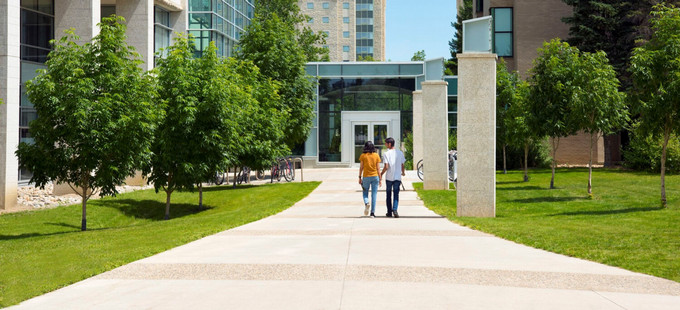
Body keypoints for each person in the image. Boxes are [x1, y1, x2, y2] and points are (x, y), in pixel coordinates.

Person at [380, 137, 406, 218]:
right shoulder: (400, 153)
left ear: (389, 144)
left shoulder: (386, 154)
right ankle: (395, 210)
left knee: (388, 195)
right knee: (396, 194)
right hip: (397, 177)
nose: (385, 144)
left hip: (389, 178)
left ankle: (389, 212)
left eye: (386, 143)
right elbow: (402, 165)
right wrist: (403, 172)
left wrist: (381, 173)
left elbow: (386, 166)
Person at [359, 141, 381, 218]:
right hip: (375, 176)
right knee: (374, 195)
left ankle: (366, 202)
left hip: (366, 177)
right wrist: (380, 179)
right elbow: (378, 168)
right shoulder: (376, 155)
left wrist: (359, 177)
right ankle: (372, 213)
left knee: (365, 192)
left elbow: (361, 167)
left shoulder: (363, 156)